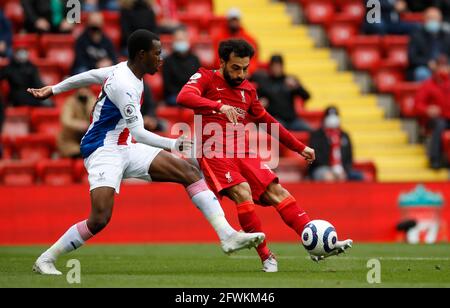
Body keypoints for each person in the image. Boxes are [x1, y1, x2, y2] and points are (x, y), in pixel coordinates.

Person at [27, 30, 265, 275]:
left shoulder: (123, 70)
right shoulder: (125, 85)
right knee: (99, 219)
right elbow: (140, 133)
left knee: (189, 171)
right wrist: (173, 144)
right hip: (102, 150)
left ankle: (227, 236)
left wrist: (54, 89)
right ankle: (46, 259)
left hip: (125, 145)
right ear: (142, 55)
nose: (161, 58)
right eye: (157, 53)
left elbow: (89, 75)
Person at [176, 39, 353, 271]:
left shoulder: (248, 90)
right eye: (235, 68)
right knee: (243, 192)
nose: (241, 74)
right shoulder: (205, 77)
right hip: (214, 152)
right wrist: (219, 106)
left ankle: (315, 242)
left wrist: (300, 147)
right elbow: (183, 97)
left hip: (244, 152)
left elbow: (268, 122)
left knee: (279, 192)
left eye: (245, 68)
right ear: (222, 62)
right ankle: (266, 256)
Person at [252, 54, 311, 132]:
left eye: (278, 66)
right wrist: (261, 102)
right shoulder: (265, 82)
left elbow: (306, 96)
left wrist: (297, 87)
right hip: (276, 119)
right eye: (274, 66)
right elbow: (257, 99)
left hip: (293, 120)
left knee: (312, 131)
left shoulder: (289, 80)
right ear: (270, 67)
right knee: (276, 129)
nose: (276, 69)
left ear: (282, 66)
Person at [309, 107, 364, 182]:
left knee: (358, 176)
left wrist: (344, 170)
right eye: (329, 117)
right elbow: (315, 156)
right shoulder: (317, 135)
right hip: (322, 167)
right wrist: (331, 169)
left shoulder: (344, 135)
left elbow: (349, 156)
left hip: (342, 168)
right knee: (329, 177)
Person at [415, 55, 450, 169]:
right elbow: (417, 105)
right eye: (441, 66)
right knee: (440, 125)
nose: (443, 69)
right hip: (435, 119)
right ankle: (434, 159)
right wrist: (427, 109)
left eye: (445, 66)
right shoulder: (428, 85)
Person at [408, 7, 450, 81]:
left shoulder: (447, 36)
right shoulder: (417, 36)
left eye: (435, 18)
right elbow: (412, 58)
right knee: (422, 73)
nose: (433, 20)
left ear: (440, 19)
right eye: (430, 18)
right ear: (424, 19)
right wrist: (428, 62)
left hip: (444, 67)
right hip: (425, 67)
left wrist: (446, 65)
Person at [162, 27, 201, 106]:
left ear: (187, 40)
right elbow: (168, 85)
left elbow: (199, 81)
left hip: (192, 93)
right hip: (174, 95)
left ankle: (197, 119)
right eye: (178, 40)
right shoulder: (168, 61)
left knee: (201, 106)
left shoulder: (195, 59)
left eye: (182, 40)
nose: (180, 42)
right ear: (173, 42)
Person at [212, 8, 258, 73]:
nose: (234, 22)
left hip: (244, 72)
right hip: (226, 72)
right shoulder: (219, 38)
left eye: (236, 20)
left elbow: (254, 59)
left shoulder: (249, 39)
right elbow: (217, 59)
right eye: (232, 20)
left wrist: (248, 71)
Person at [57, 87, 97, 158]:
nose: (83, 90)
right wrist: (79, 124)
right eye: (81, 87)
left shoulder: (93, 100)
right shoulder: (70, 102)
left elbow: (97, 118)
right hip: (71, 140)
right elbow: (66, 120)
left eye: (85, 87)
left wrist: (89, 101)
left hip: (89, 139)